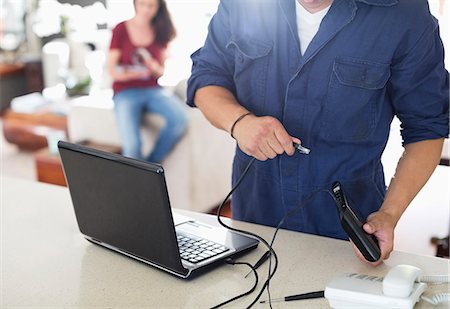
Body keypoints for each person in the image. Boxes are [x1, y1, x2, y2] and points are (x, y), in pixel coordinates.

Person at [187, 0, 449, 265]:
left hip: (346, 229)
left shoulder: (405, 13)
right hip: (255, 218)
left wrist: (389, 214)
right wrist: (239, 122)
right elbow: (206, 77)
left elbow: (427, 129)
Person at [108, 0, 187, 163]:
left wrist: (153, 67)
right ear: (135, 3)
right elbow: (112, 71)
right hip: (125, 91)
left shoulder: (161, 30)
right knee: (132, 146)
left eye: (151, 6)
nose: (146, 9)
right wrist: (133, 74)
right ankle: (142, 174)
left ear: (158, 8)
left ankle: (149, 168)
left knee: (180, 120)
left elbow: (161, 72)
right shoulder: (121, 29)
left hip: (153, 90)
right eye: (142, 4)